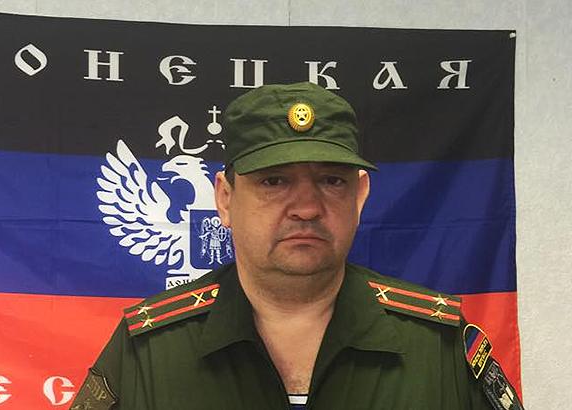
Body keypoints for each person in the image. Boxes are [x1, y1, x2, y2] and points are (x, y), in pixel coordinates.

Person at [70, 82, 524, 409]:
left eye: (331, 181)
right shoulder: (149, 351)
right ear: (225, 199)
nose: (306, 207)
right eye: (274, 181)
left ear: (360, 196)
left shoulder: (438, 346)